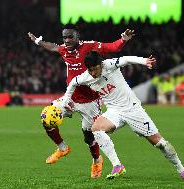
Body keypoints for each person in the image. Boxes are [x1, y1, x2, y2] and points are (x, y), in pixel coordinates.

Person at [62, 52, 184, 182]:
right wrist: (66, 101)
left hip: (133, 109)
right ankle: (117, 165)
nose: (93, 73)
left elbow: (126, 59)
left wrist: (144, 61)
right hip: (114, 111)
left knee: (161, 144)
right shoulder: (86, 77)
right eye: (90, 70)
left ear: (101, 64)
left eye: (95, 69)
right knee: (96, 128)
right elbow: (73, 83)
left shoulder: (109, 65)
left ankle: (181, 169)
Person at [28, 24, 135, 178]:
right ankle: (63, 148)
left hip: (90, 102)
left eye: (70, 36)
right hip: (70, 98)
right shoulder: (64, 49)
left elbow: (112, 48)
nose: (67, 40)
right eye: (64, 37)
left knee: (89, 136)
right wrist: (38, 42)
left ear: (77, 35)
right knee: (47, 117)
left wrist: (123, 39)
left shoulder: (90, 47)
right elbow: (53, 47)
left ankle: (97, 160)